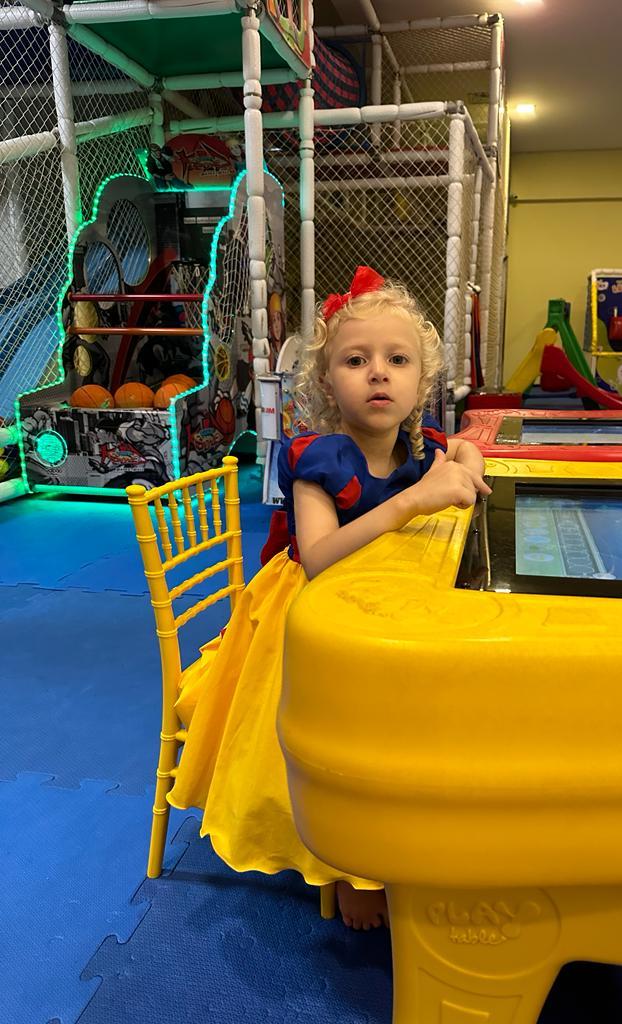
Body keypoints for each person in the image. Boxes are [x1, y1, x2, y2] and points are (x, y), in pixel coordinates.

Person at [167, 266, 490, 929]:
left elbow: (462, 450)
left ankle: (407, 829)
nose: (378, 374)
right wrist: (414, 500)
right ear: (326, 382)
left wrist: (467, 465)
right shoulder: (317, 458)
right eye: (356, 360)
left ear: (421, 381)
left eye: (397, 360)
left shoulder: (417, 444)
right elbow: (317, 558)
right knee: (348, 731)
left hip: (373, 608)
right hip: (303, 619)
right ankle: (344, 865)